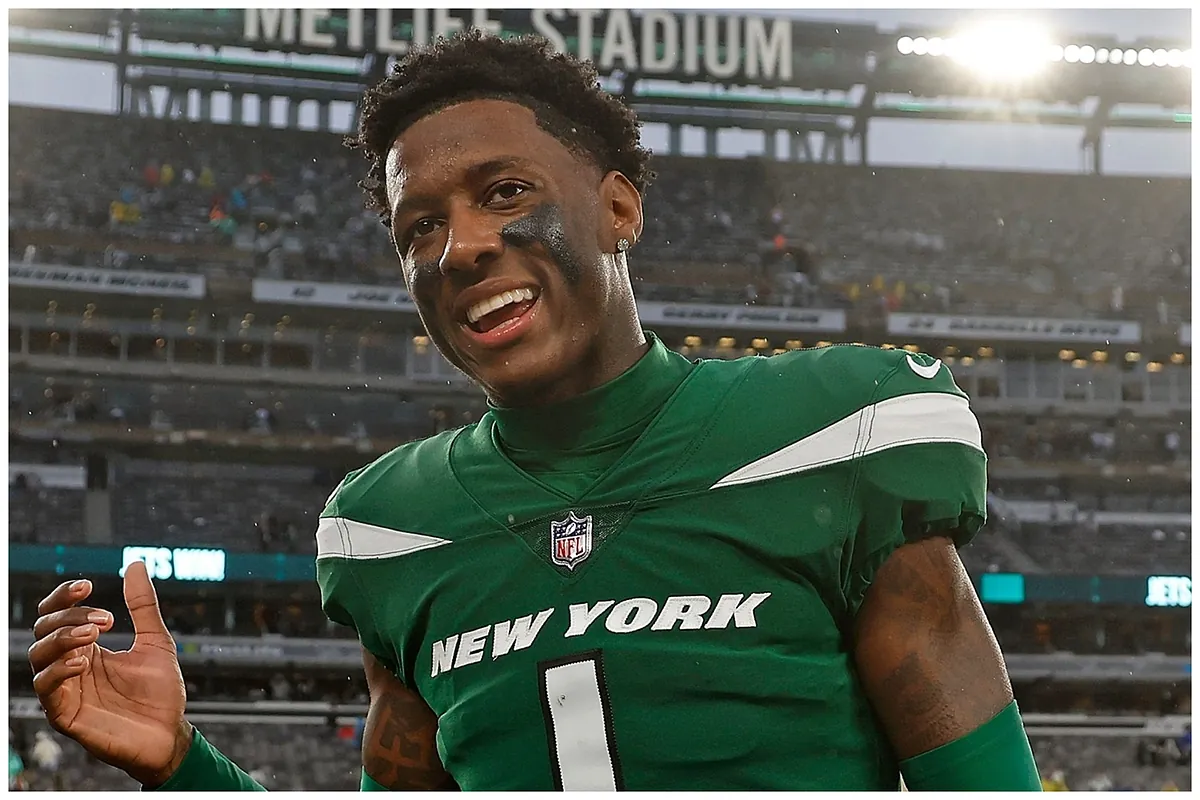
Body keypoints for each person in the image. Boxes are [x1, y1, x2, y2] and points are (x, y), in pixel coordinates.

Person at [28, 31, 1040, 791]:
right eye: (419, 228)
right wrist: (185, 764)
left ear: (618, 208)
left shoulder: (838, 432)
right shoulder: (389, 529)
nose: (460, 247)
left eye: (506, 192)